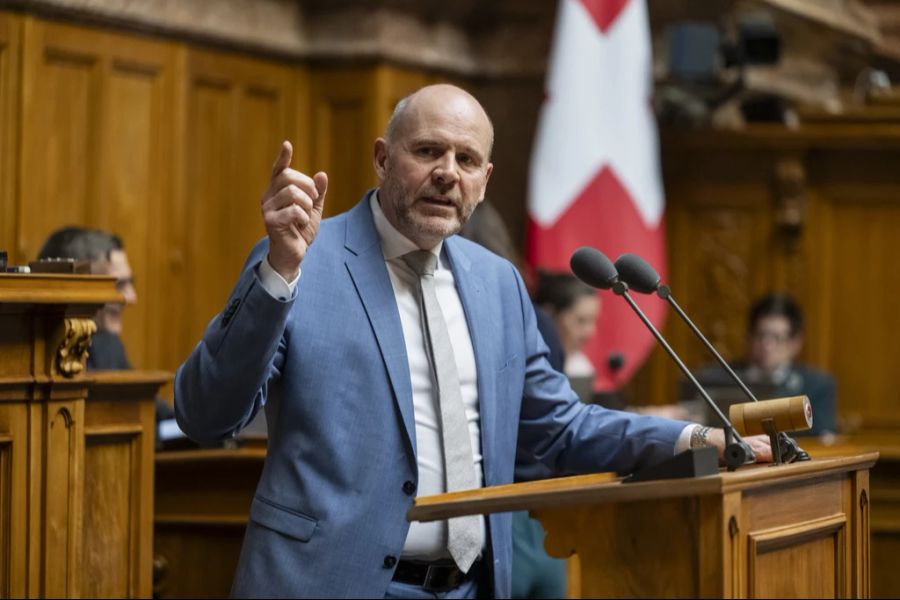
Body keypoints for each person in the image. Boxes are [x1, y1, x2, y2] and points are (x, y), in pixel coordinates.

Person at [174, 84, 771, 598]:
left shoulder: (497, 283)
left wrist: (698, 438)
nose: (446, 173)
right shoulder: (304, 258)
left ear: (484, 181)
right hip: (326, 581)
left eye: (466, 158)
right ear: (383, 158)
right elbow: (206, 417)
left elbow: (559, 429)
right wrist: (278, 273)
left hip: (470, 585)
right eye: (427, 150)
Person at [38, 226, 175, 424]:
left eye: (131, 283)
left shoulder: (108, 346)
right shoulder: (36, 357)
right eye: (119, 285)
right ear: (76, 286)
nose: (131, 298)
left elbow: (157, 418)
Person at [743, 293, 837, 437]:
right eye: (760, 335)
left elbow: (822, 437)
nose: (767, 345)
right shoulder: (718, 379)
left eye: (777, 337)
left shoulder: (817, 386)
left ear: (795, 343)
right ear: (749, 337)